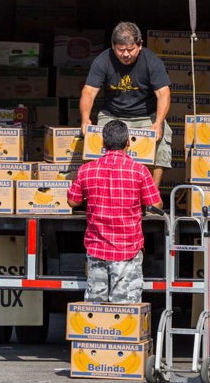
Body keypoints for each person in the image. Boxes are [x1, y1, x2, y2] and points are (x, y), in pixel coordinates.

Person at [67, 120, 161, 304]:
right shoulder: (140, 171)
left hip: (96, 248)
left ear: (103, 143)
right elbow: (156, 205)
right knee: (125, 311)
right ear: (128, 142)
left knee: (96, 308)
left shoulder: (86, 170)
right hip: (128, 249)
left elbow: (73, 201)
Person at [79, 21, 173, 187]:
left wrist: (158, 122)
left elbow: (163, 93)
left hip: (146, 115)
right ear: (113, 45)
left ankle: (152, 197)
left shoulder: (152, 61)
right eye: (121, 50)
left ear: (140, 45)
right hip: (112, 114)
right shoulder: (102, 61)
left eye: (130, 50)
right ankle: (102, 193)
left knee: (161, 145)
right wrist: (85, 118)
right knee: (94, 145)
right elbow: (89, 91)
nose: (126, 54)